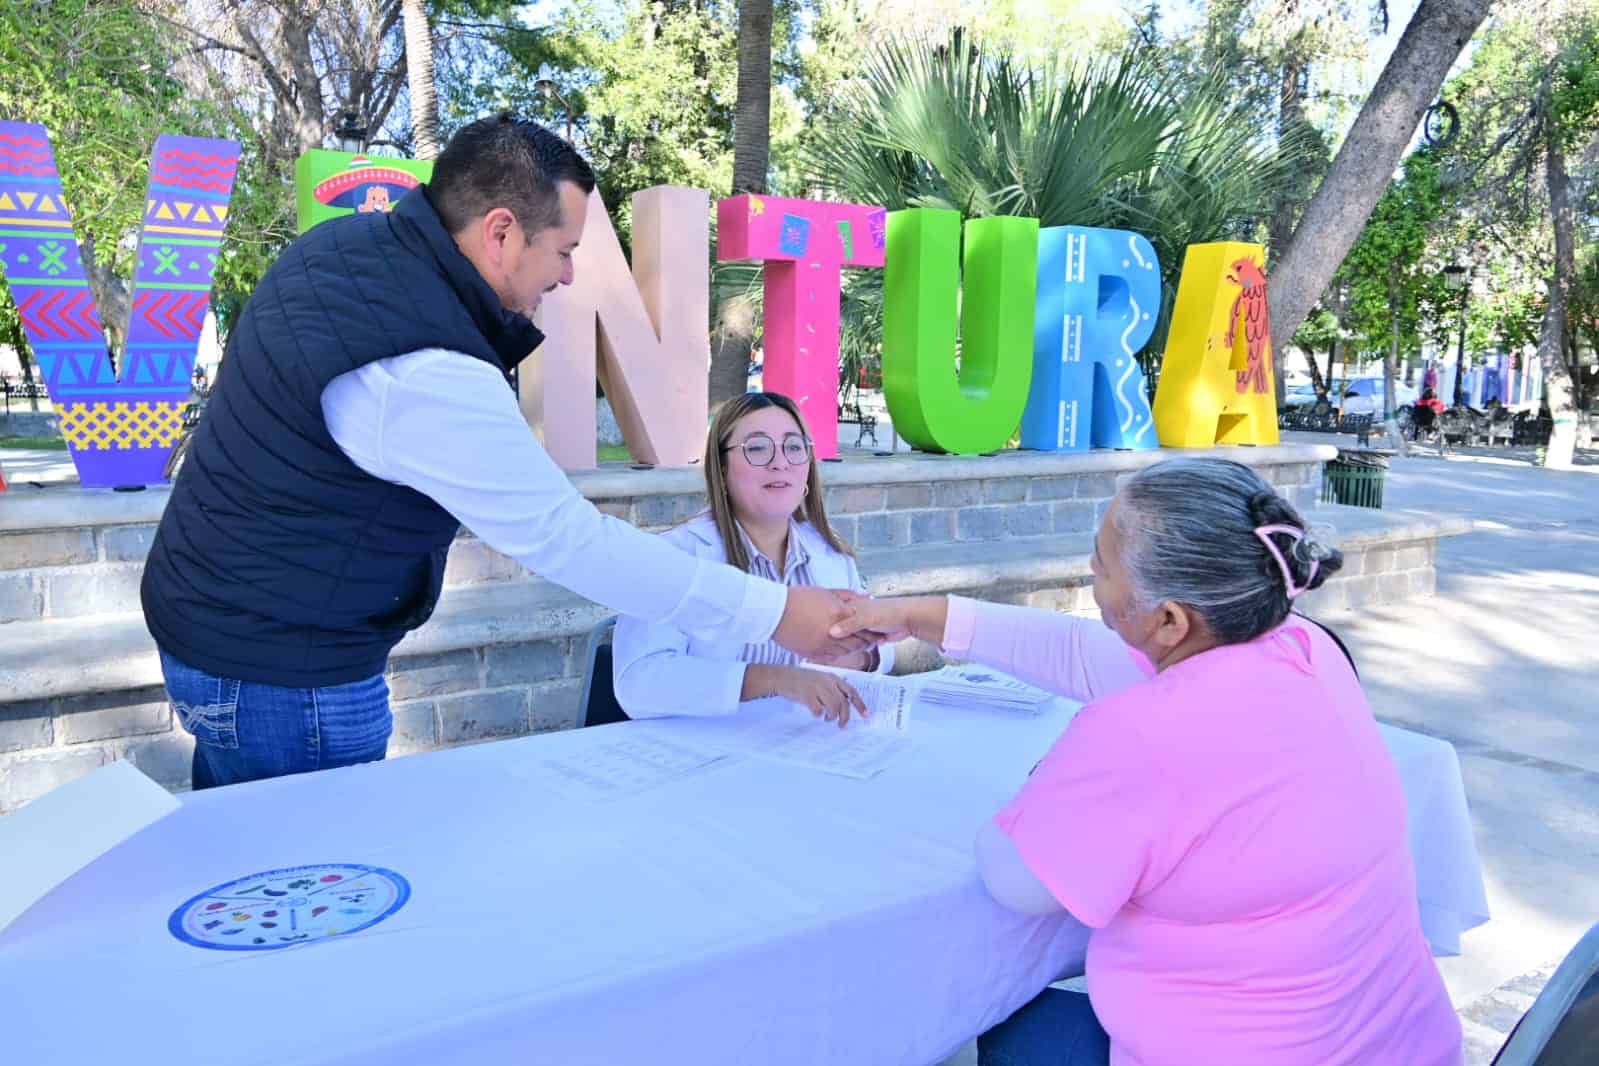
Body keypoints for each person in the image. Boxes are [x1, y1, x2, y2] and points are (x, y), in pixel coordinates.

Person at [140, 115, 874, 791]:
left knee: (241, 852)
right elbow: (565, 539)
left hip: (218, 626)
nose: (566, 276)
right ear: (499, 232)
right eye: (562, 251)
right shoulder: (425, 366)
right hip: (284, 671)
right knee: (304, 885)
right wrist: (771, 613)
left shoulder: (350, 250)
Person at [834, 458, 1462, 1066]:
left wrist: (1045, 777)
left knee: (987, 1014)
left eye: (1102, 568)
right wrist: (917, 615)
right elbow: (1082, 654)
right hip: (1402, 1044)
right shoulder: (1304, 646)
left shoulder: (1140, 734)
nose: (1091, 578)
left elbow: (1016, 882)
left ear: (1167, 619)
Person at [613, 392, 893, 728]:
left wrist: (863, 655)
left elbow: (881, 643)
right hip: (705, 750)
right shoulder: (674, 555)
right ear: (721, 468)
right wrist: (774, 679)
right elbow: (638, 683)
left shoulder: (830, 555)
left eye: (793, 447)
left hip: (802, 739)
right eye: (757, 448)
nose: (780, 462)